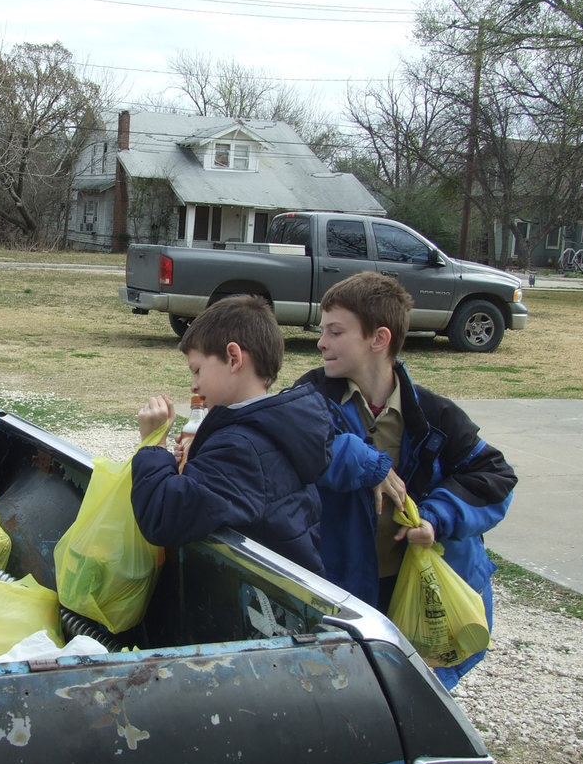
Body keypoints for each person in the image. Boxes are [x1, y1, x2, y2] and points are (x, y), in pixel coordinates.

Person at [293, 271, 517, 688]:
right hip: (341, 587)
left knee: (411, 696)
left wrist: (434, 519)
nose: (322, 342)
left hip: (411, 589)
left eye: (336, 332)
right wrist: (370, 464)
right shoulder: (309, 396)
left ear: (379, 339)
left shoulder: (435, 415)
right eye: (322, 331)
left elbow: (494, 477)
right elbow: (299, 442)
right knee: (345, 694)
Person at [130, 295, 333, 576]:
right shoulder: (272, 431)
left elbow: (162, 516)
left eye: (198, 370)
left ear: (234, 358)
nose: (195, 385)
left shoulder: (241, 449)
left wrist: (154, 444)